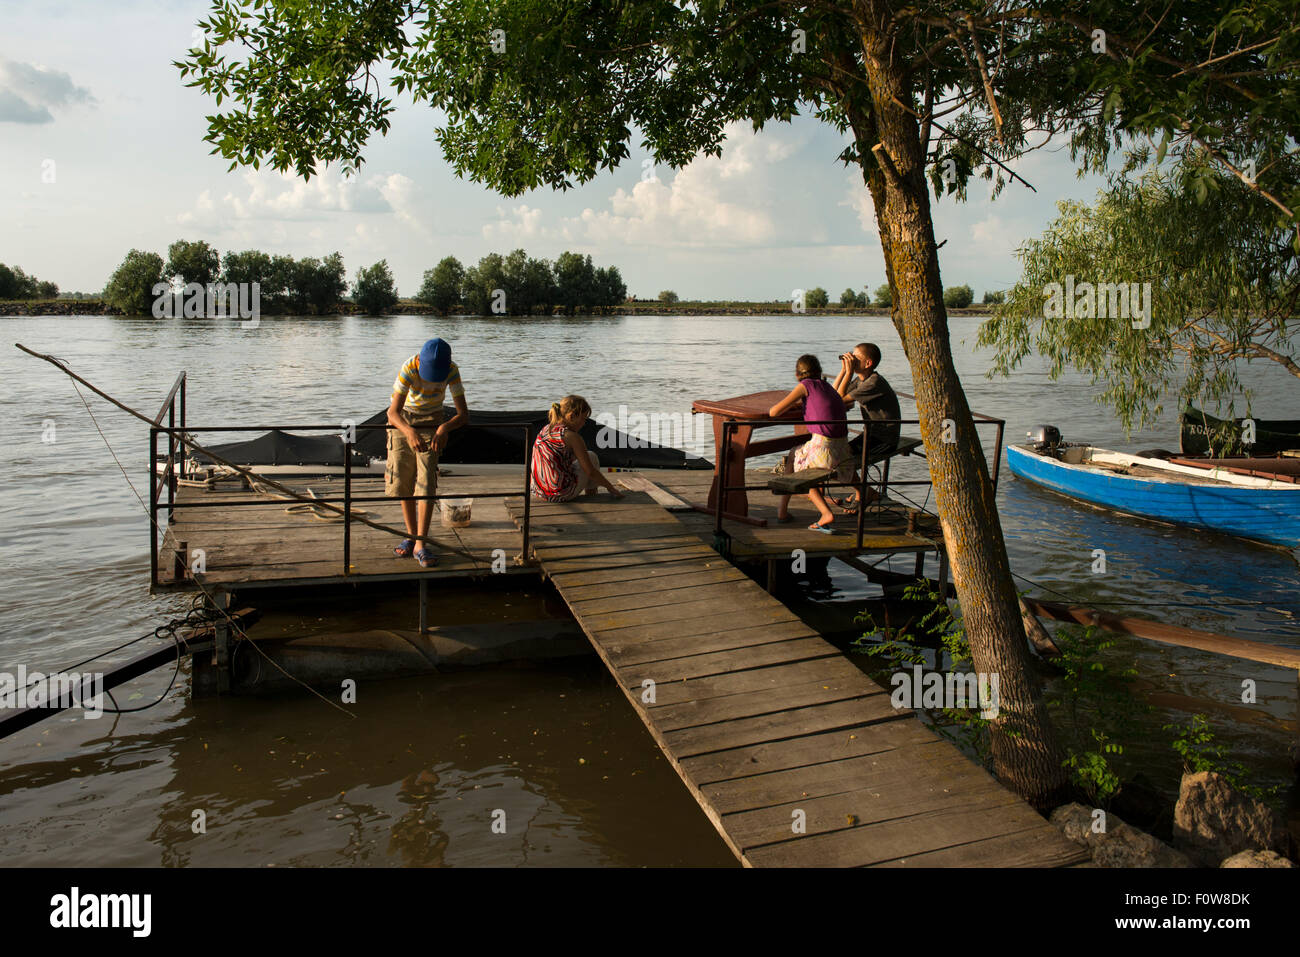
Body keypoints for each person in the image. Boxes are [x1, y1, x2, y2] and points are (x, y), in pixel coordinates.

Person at [386, 337, 468, 568]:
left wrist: (444, 428)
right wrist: (409, 432)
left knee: (426, 483)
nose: (433, 378)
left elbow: (463, 414)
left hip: (433, 421)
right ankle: (411, 536)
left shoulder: (451, 370)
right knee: (403, 480)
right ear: (420, 360)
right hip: (404, 420)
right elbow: (393, 413)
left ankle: (421, 542)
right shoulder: (409, 367)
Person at [768, 355, 853, 533]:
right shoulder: (827, 386)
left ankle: (823, 513)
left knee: (800, 467)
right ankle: (782, 511)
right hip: (843, 450)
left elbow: (774, 412)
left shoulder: (805, 386)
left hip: (824, 450)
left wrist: (793, 405)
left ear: (797, 374)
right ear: (819, 371)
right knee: (795, 453)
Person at [831, 342, 901, 509]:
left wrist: (848, 371)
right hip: (871, 435)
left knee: (839, 459)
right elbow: (834, 395)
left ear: (868, 363)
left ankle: (863, 492)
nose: (852, 360)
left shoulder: (874, 383)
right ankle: (865, 491)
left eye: (856, 358)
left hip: (884, 439)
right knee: (837, 455)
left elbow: (839, 401)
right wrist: (843, 371)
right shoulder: (862, 380)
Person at [531, 395, 624, 502]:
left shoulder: (546, 429)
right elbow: (590, 472)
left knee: (586, 457)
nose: (584, 423)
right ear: (571, 417)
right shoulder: (571, 437)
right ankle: (592, 497)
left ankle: (591, 496)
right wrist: (611, 488)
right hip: (559, 494)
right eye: (583, 419)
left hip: (539, 491)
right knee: (592, 457)